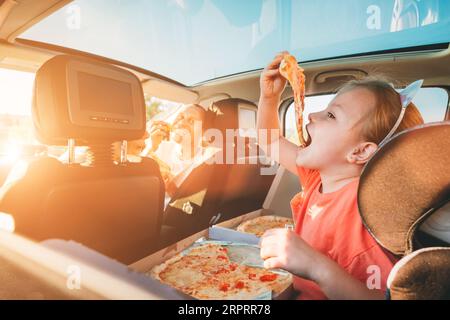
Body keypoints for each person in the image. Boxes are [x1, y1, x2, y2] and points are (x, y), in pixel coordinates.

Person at [257, 52, 424, 300]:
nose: (312, 116)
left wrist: (316, 266)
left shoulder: (363, 215)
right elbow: (269, 141)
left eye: (331, 115)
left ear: (359, 151)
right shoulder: (317, 178)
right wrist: (269, 98)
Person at [146, 104, 218, 197]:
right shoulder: (159, 147)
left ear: (203, 131)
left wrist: (171, 187)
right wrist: (149, 149)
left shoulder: (205, 162)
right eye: (181, 117)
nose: (181, 123)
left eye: (191, 121)